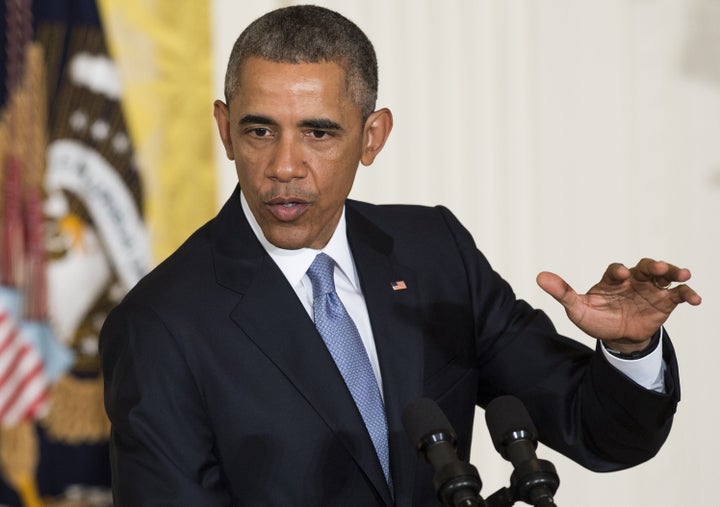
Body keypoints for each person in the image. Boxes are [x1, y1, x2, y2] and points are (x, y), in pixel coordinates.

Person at [99, 5, 701, 506]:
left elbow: (596, 431)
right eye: (259, 131)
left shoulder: (435, 253)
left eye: (318, 132)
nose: (283, 166)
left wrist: (628, 350)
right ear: (225, 129)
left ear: (372, 136)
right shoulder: (159, 325)